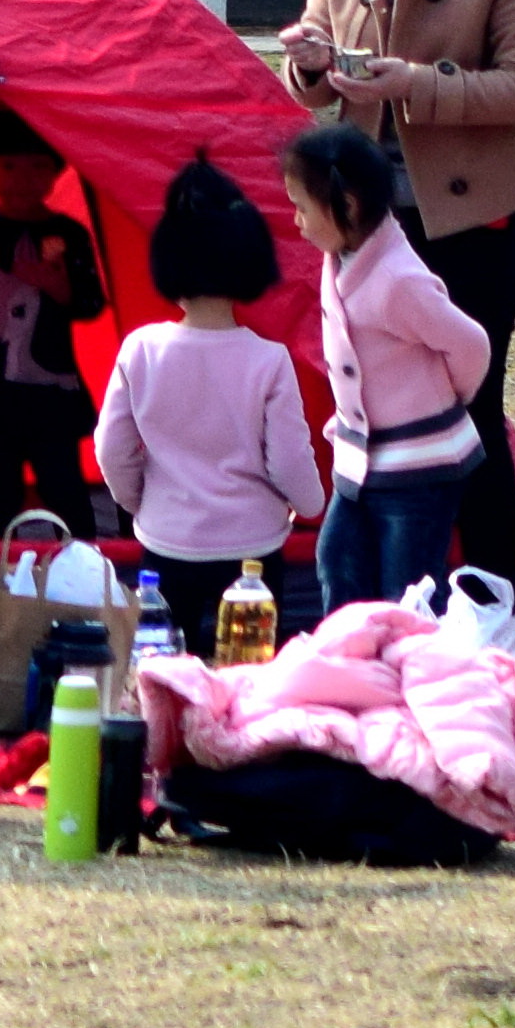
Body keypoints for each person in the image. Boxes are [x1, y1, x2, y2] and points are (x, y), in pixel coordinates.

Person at [278, 0, 515, 580]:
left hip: (474, 213)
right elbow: (310, 79)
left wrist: (418, 87)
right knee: (380, 401)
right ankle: (397, 584)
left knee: (473, 402)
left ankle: (497, 589)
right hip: (369, 219)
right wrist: (307, 62)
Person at [92, 155, 325, 655]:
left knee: (163, 670)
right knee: (246, 672)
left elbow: (112, 448)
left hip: (166, 543)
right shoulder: (269, 359)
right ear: (251, 263)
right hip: (254, 551)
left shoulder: (141, 348)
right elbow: (288, 457)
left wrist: (142, 503)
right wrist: (310, 506)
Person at [285, 119, 496, 613]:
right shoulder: (342, 255)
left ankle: (412, 674)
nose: (295, 220)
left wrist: (444, 403)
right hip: (360, 460)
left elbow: (471, 345)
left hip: (420, 465)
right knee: (337, 559)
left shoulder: (398, 281)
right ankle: (354, 664)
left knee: (410, 588)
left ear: (348, 206)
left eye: (301, 208)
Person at [0, 107, 107, 533]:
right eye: (9, 165)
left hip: (52, 391)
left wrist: (56, 286)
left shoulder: (69, 234)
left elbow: (91, 304)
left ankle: (85, 569)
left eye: (38, 166)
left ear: (56, 172)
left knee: (64, 486)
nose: (23, 177)